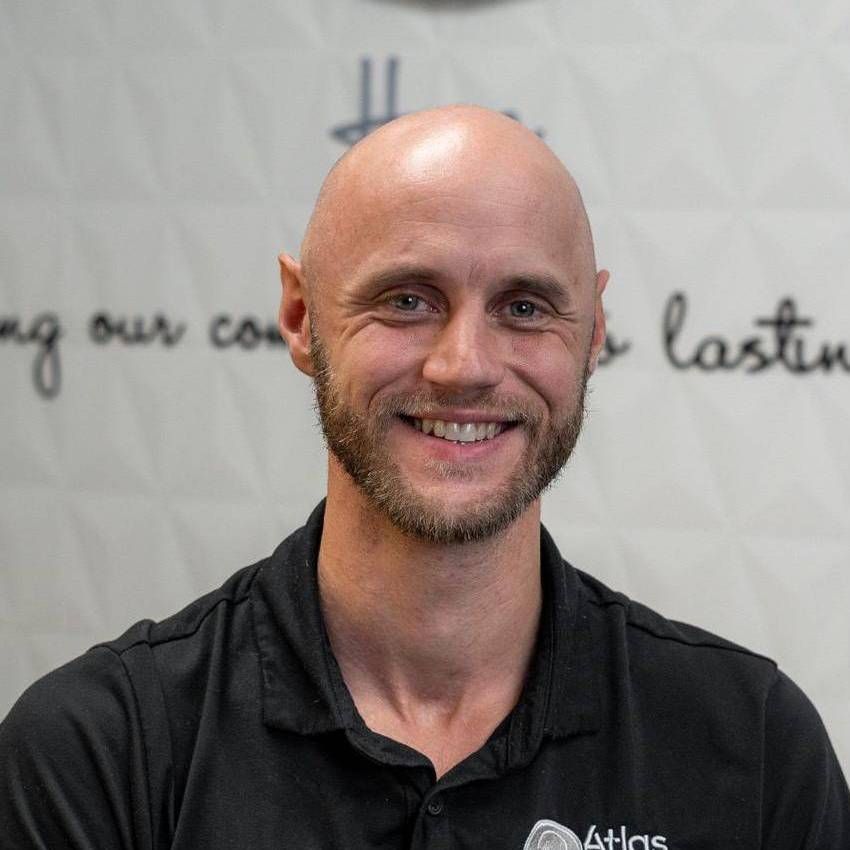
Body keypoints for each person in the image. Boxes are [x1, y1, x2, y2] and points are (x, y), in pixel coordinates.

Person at [1, 105, 847, 850]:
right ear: (301, 317)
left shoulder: (756, 746)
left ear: (591, 334)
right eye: (408, 300)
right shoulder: (99, 752)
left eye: (524, 308)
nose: (464, 366)